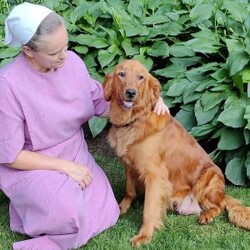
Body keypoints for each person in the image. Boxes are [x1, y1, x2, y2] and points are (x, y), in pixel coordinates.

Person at [0, 2, 169, 250]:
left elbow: (104, 101)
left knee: (108, 210)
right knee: (69, 212)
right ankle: (35, 208)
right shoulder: (8, 85)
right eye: (55, 52)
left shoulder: (72, 62)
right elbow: (11, 156)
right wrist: (65, 167)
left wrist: (150, 97)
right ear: (28, 51)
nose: (63, 55)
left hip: (74, 152)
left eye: (66, 46)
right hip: (33, 165)